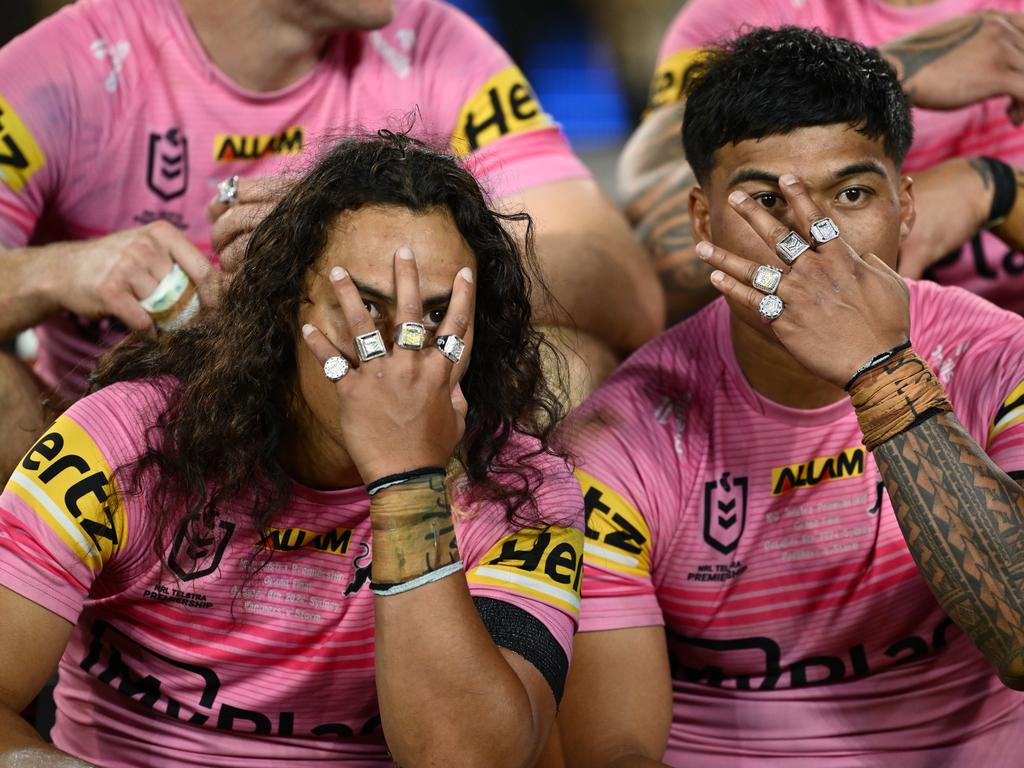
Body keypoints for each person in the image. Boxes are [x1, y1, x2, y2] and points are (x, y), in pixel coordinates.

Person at [0, 132, 586, 767]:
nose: (397, 355)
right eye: (363, 308)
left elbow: (471, 759)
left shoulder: (526, 489)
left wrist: (407, 479)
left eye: (438, 316)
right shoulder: (123, 441)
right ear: (286, 306)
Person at [556, 27, 1024, 767]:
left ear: (906, 206)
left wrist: (878, 370)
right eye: (765, 201)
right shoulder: (618, 439)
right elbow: (614, 753)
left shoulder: (1000, 359)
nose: (813, 237)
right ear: (703, 221)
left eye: (852, 194)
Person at [0, 0, 665, 481]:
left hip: (370, 458)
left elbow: (626, 290)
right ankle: (63, 601)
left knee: (571, 363)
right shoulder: (69, 66)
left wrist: (369, 232)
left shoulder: (432, 38)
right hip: (137, 466)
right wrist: (54, 271)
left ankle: (462, 629)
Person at [621, 0, 1024, 323]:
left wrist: (993, 190)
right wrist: (884, 71)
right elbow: (648, 258)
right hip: (810, 363)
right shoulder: (736, 14)